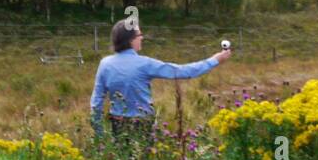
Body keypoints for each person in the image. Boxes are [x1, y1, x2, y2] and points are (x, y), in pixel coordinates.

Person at [90, 20, 230, 144]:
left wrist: (99, 134)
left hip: (117, 125)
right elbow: (183, 72)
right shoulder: (144, 64)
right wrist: (215, 60)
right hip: (142, 126)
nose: (142, 38)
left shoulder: (105, 64)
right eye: (139, 35)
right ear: (131, 39)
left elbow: (96, 102)